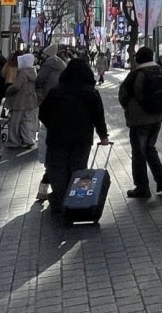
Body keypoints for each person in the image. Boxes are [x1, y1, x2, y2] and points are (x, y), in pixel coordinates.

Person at [38, 58, 109, 214]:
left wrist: (53, 126)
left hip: (57, 138)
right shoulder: (91, 93)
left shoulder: (56, 92)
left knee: (57, 169)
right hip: (82, 139)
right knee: (78, 170)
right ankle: (75, 201)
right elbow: (98, 117)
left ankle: (59, 199)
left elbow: (43, 113)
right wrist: (103, 136)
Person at [118, 46, 162, 199]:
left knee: (138, 152)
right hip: (158, 116)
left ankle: (142, 187)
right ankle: (161, 177)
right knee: (150, 147)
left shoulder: (135, 74)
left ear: (138, 58)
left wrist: (132, 108)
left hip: (140, 119)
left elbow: (123, 95)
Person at [35, 44, 68, 202]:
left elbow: (39, 81)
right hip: (69, 131)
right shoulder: (63, 66)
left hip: (49, 107)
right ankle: (60, 191)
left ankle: (48, 189)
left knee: (53, 158)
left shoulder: (47, 66)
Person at [4, 53, 39, 148]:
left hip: (20, 101)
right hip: (31, 100)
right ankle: (28, 139)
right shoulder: (34, 71)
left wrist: (8, 90)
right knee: (28, 121)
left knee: (15, 122)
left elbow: (17, 86)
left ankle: (14, 141)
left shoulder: (23, 72)